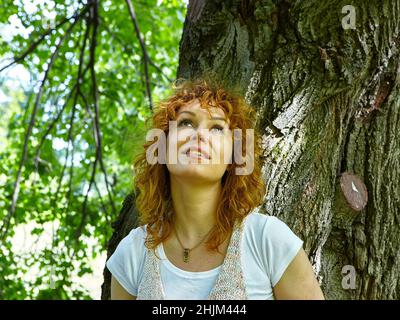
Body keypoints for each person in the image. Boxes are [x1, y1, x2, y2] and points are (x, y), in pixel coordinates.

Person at [106, 78, 325, 300]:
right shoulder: (132, 253)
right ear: (162, 146)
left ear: (234, 158)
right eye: (186, 123)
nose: (200, 135)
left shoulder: (267, 239)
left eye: (217, 128)